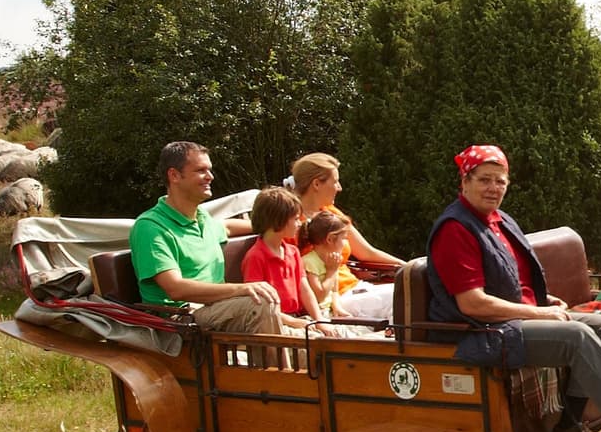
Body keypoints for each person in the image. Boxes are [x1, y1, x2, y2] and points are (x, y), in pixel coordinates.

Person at [424, 142, 601, 432]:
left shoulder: (499, 220)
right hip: (479, 332)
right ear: (464, 182)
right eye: (484, 179)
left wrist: (545, 301)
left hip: (512, 320)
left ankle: (568, 427)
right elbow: (472, 303)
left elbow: (510, 280)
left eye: (500, 181)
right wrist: (540, 314)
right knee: (576, 337)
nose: (493, 188)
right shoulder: (455, 230)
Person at [130, 140, 282, 333]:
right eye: (200, 170)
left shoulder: (202, 218)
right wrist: (241, 288)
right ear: (174, 175)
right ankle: (273, 365)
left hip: (216, 309)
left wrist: (278, 227)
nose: (210, 176)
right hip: (181, 320)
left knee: (312, 339)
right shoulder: (151, 227)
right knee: (259, 303)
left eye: (209, 170)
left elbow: (227, 227)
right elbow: (175, 288)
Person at [288, 153, 403, 280]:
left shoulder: (334, 214)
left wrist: (407, 267)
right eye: (336, 182)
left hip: (351, 286)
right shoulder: (290, 222)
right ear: (316, 184)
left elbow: (367, 253)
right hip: (325, 295)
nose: (340, 188)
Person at [230, 183, 312, 319]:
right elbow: (258, 303)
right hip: (274, 321)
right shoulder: (256, 257)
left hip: (297, 317)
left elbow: (305, 289)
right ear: (279, 220)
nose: (299, 224)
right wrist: (293, 322)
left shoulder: (293, 252)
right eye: (296, 219)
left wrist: (319, 319)